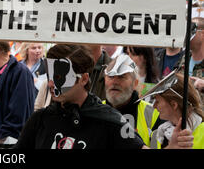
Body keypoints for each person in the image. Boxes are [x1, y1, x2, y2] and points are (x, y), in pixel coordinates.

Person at [15, 44, 194, 149]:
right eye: (50, 76)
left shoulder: (110, 121)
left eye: (60, 77)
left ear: (84, 78)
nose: (52, 84)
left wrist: (171, 147)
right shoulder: (40, 119)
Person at [103, 53, 162, 146]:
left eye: (122, 76)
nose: (114, 82)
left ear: (135, 83)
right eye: (111, 76)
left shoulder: (154, 113)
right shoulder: (96, 110)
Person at [142, 71, 204, 149]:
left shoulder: (202, 131)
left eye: (157, 101)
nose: (154, 106)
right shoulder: (160, 133)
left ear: (174, 105)